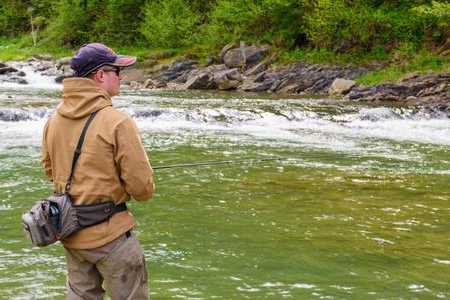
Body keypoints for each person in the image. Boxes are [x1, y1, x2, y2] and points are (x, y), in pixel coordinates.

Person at [41, 43, 155, 299]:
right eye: (116, 70)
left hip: (71, 237)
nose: (121, 76)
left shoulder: (53, 120)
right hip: (112, 238)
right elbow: (142, 190)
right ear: (100, 75)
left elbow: (51, 171)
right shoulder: (118, 121)